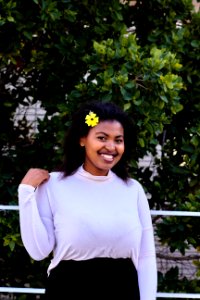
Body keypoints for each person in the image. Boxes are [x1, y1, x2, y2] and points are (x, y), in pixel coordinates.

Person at [18, 101, 157, 300]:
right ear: (83, 139)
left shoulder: (133, 190)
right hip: (67, 291)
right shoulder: (53, 185)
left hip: (123, 291)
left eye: (118, 140)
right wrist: (25, 194)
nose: (111, 147)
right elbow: (39, 251)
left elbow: (145, 257)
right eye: (102, 137)